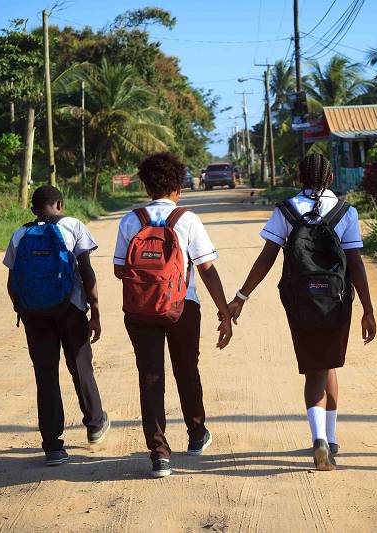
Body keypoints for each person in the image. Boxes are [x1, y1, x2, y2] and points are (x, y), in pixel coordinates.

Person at [227, 154, 376, 471]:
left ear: (299, 177)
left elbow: (267, 257)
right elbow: (356, 264)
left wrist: (241, 296)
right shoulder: (345, 212)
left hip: (300, 300)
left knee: (317, 367)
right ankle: (326, 438)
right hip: (336, 299)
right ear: (331, 177)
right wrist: (368, 309)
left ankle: (325, 438)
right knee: (328, 362)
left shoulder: (286, 210)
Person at [113, 152, 233, 479]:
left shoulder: (130, 220)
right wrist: (224, 311)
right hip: (183, 307)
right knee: (186, 368)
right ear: (178, 187)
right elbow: (206, 269)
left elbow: (119, 270)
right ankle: (196, 435)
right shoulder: (187, 220)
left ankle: (160, 454)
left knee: (150, 377)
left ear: (146, 184)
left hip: (140, 311)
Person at [4, 185, 109, 466]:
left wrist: (24, 309)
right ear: (60, 204)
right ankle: (95, 423)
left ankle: (52, 446)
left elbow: (12, 282)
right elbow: (86, 272)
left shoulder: (20, 234)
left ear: (33, 209)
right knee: (80, 365)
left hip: (34, 313)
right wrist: (95, 310)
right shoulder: (73, 226)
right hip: (70, 308)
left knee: (46, 376)